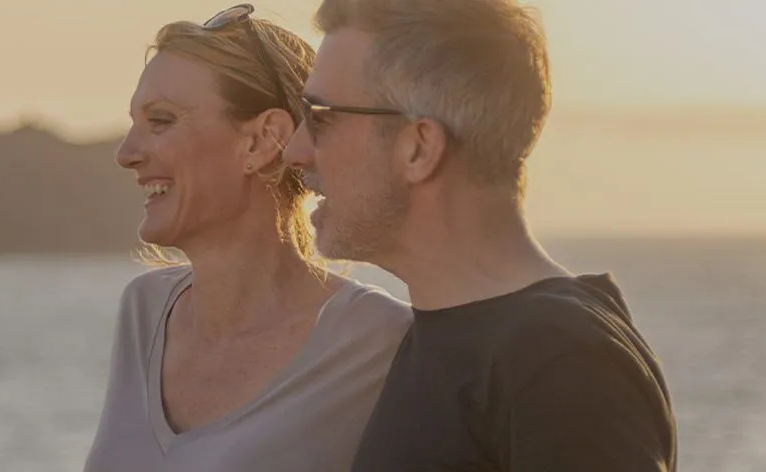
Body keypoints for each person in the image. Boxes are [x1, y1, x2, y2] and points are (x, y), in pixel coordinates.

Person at [282, 0, 678, 469]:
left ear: (419, 148)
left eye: (321, 117)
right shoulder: (452, 338)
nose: (294, 150)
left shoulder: (560, 362)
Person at [82, 4, 413, 471]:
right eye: (134, 123)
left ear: (262, 141)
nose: (126, 153)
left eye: (161, 120)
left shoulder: (378, 342)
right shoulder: (144, 311)